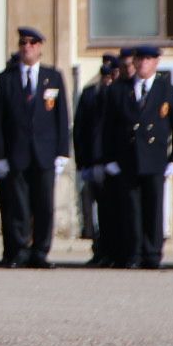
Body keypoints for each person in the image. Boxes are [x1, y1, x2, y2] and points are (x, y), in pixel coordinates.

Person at [0, 27, 71, 269]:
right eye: (23, 42)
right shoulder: (6, 78)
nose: (27, 47)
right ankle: (19, 251)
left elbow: (61, 117)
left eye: (33, 42)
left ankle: (40, 252)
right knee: (18, 206)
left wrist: (63, 151)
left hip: (45, 152)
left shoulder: (52, 77)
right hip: (17, 152)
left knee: (44, 205)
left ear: (41, 47)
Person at [98, 44, 173, 269]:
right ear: (134, 63)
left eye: (148, 59)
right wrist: (109, 159)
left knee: (154, 208)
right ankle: (133, 253)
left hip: (154, 159)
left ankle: (153, 254)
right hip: (128, 158)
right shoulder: (119, 89)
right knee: (131, 210)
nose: (143, 63)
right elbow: (108, 128)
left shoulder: (167, 89)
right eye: (140, 59)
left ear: (156, 63)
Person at [74, 53, 121, 266]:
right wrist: (81, 162)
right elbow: (81, 129)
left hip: (114, 163)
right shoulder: (90, 94)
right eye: (104, 73)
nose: (107, 78)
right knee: (97, 211)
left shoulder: (120, 94)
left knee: (115, 209)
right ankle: (99, 250)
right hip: (94, 161)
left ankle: (116, 250)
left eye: (111, 73)